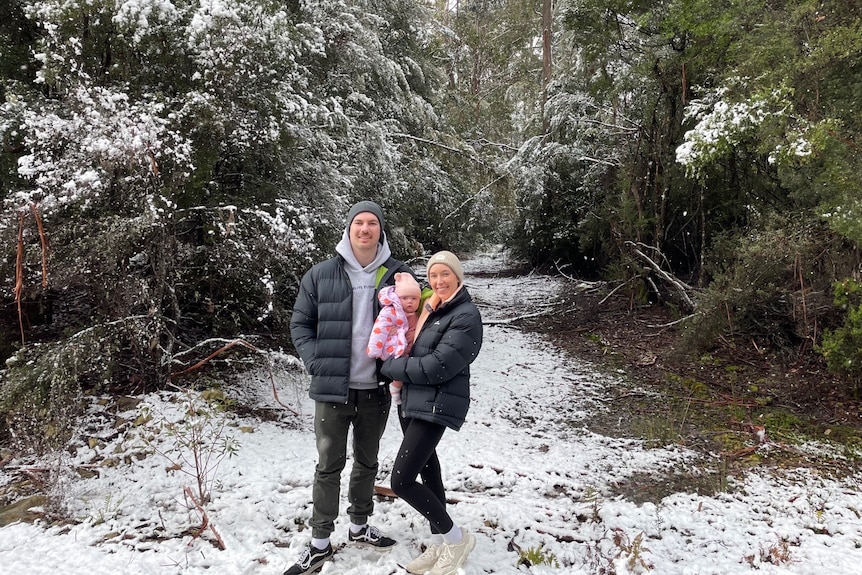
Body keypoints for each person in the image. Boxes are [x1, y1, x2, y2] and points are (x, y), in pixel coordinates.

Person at [287, 200, 417, 575]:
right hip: (333, 390)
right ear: (348, 229)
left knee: (367, 462)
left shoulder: (399, 276)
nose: (365, 229)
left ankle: (359, 526)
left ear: (380, 230)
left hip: (375, 389)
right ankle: (320, 542)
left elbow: (415, 327)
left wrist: (400, 367)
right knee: (329, 464)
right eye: (358, 223)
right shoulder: (321, 274)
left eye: (372, 223)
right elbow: (301, 324)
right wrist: (316, 363)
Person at [380, 250, 483, 575]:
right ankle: (439, 543)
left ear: (458, 277)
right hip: (413, 399)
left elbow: (439, 366)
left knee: (401, 480)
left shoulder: (465, 315)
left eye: (445, 275)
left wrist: (390, 367)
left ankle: (456, 539)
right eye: (434, 275)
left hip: (436, 403)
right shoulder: (432, 309)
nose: (438, 281)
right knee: (428, 471)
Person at [366, 272, 422, 406]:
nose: (410, 301)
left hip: (410, 351)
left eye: (414, 298)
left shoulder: (417, 315)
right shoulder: (390, 312)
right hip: (394, 349)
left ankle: (398, 388)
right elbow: (379, 330)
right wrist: (375, 350)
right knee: (400, 371)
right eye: (405, 298)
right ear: (397, 298)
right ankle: (395, 388)